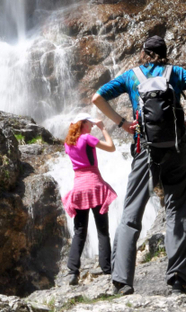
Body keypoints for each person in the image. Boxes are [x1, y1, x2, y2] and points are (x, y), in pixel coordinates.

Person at [92, 34, 186, 296]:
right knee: (178, 212)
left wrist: (122, 124)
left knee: (131, 215)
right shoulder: (176, 73)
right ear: (164, 53)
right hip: (177, 149)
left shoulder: (131, 76)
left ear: (143, 53)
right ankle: (177, 282)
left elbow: (96, 98)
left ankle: (122, 282)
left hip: (145, 150)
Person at [62, 116, 117, 285]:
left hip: (78, 188)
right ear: (82, 124)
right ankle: (106, 269)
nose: (92, 125)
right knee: (102, 231)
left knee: (79, 231)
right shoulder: (87, 138)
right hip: (94, 186)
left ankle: (72, 271)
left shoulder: (68, 143)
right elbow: (111, 147)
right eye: (90, 123)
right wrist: (103, 129)